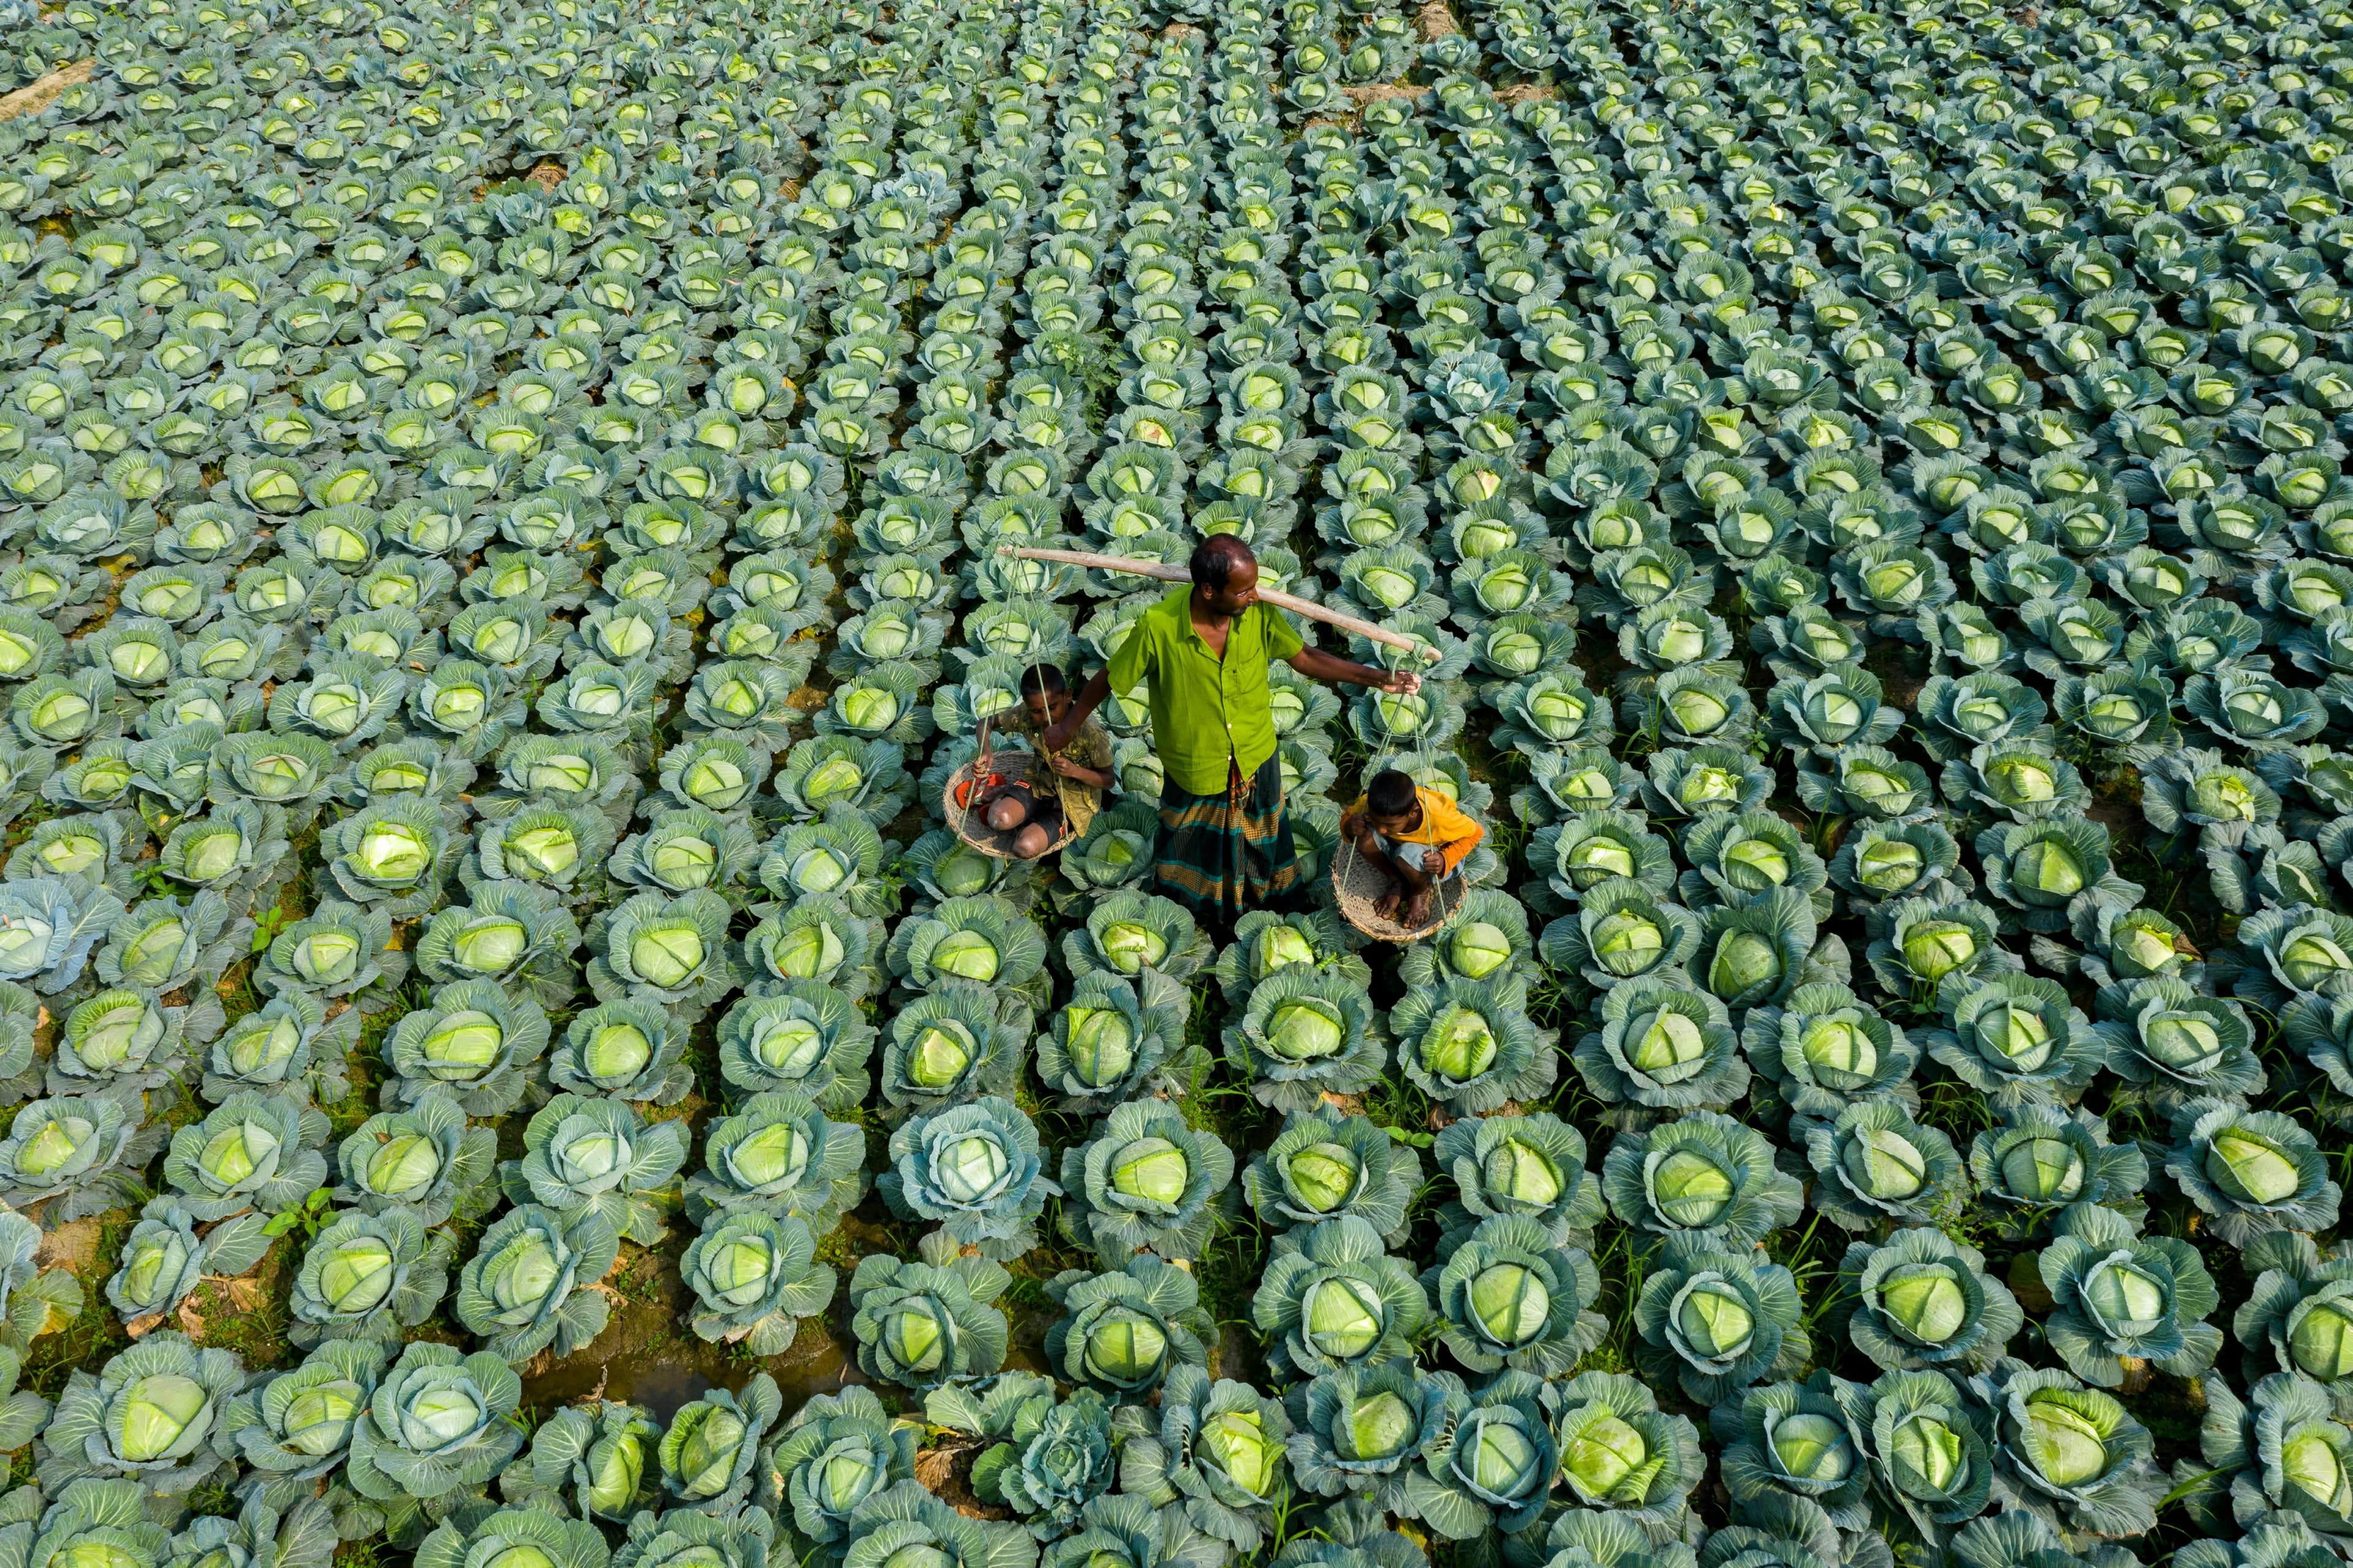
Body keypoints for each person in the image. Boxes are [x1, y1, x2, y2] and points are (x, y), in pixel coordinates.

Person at [1043, 535, 1420, 925]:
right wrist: (1069, 726)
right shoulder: (1159, 627)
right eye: (1242, 590)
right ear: (1208, 591)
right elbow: (1110, 676)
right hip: (1195, 761)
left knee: (1262, 837)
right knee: (1194, 844)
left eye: (1254, 586)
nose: (1254, 596)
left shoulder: (1258, 613)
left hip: (1254, 752)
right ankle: (1201, 914)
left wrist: (1377, 678)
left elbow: (1305, 657)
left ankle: (1269, 904)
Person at [971, 664, 1115, 860]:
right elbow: (985, 723)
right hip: (1038, 783)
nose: (1045, 717)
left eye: (1052, 707)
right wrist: (986, 750)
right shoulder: (1026, 715)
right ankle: (1011, 799)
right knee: (998, 820)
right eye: (1036, 711)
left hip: (1071, 803)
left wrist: (1075, 771)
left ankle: (1015, 805)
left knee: (1025, 847)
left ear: (1067, 695)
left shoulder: (1091, 733)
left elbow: (1108, 780)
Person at [1339, 767, 1485, 928]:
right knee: (1364, 836)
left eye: (1389, 825)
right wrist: (1348, 825)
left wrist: (1446, 858)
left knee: (1407, 854)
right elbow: (1348, 816)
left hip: (1433, 861)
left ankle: (1420, 892)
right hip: (1399, 853)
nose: (1381, 830)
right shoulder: (1369, 803)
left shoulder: (1440, 818)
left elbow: (1476, 832)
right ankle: (1398, 882)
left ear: (1413, 813)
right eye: (1375, 820)